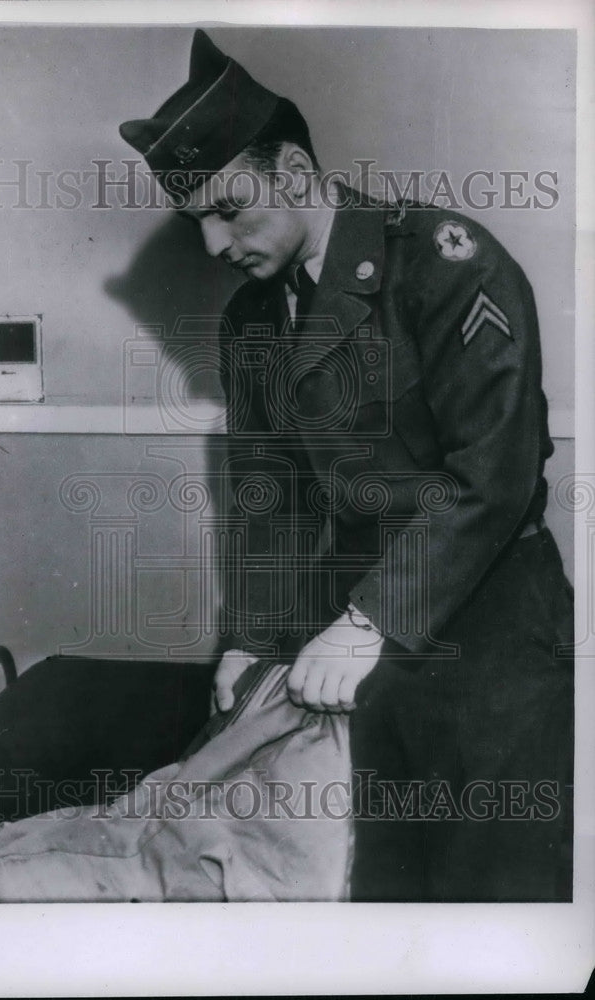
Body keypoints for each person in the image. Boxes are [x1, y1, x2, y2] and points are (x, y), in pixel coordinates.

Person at [119, 29, 574, 902]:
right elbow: (268, 497)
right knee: (374, 885)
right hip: (350, 639)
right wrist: (252, 634)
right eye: (197, 222)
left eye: (228, 210)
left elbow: (496, 474)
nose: (214, 247)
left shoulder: (442, 263)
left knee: (494, 885)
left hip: (491, 628)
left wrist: (368, 621)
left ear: (293, 172)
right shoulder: (254, 321)